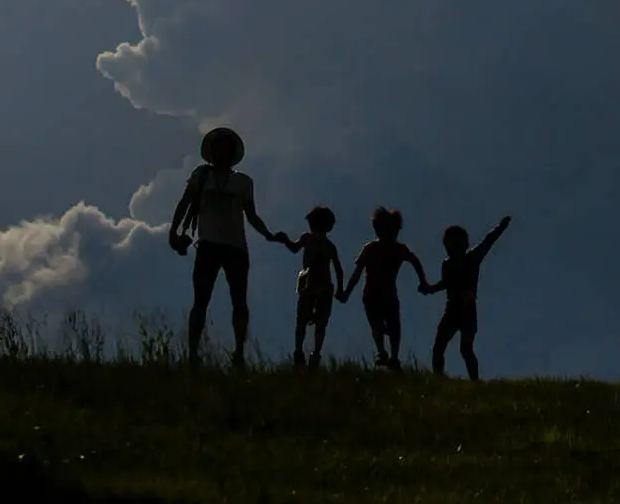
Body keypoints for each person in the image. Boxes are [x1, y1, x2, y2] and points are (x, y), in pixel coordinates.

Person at [168, 126, 281, 368]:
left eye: (225, 146)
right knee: (201, 300)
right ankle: (193, 354)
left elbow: (251, 215)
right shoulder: (201, 176)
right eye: (218, 146)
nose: (221, 151)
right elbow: (184, 203)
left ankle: (239, 352)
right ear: (211, 150)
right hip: (208, 246)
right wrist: (173, 231)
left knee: (239, 301)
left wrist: (268, 234)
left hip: (236, 248)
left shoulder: (243, 182)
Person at [421, 216, 511, 381]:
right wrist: (430, 289)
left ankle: (472, 381)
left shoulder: (471, 258)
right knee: (443, 347)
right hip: (455, 308)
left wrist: (501, 227)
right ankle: (440, 378)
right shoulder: (449, 264)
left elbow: (488, 241)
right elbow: (446, 283)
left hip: (465, 308)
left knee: (463, 349)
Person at [339, 207, 427, 369]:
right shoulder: (372, 248)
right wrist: (346, 293)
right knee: (379, 325)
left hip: (385, 295)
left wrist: (423, 281)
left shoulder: (395, 249)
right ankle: (383, 353)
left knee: (392, 326)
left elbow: (415, 262)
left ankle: (392, 356)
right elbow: (356, 274)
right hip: (373, 295)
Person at [277, 205, 345, 371]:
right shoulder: (326, 244)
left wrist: (285, 240)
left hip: (314, 286)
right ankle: (309, 353)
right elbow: (338, 269)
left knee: (306, 320)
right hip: (317, 286)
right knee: (315, 321)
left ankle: (304, 353)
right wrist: (340, 289)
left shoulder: (313, 240)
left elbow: (294, 248)